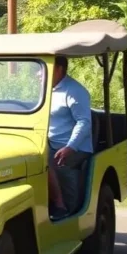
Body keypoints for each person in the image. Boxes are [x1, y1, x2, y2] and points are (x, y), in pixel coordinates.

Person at [47, 55, 93, 219]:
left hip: (75, 147)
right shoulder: (44, 89)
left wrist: (70, 147)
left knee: (49, 163)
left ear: (59, 69)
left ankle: (64, 208)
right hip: (48, 143)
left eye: (46, 66)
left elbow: (84, 122)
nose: (39, 74)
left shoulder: (74, 91)